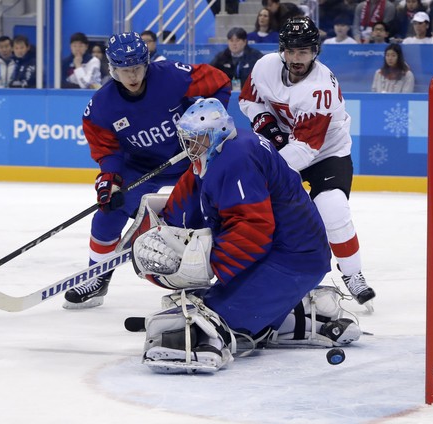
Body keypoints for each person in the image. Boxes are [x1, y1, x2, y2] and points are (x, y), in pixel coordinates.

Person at [131, 98, 362, 373]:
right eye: (187, 139)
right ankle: (289, 313)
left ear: (215, 135)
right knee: (197, 305)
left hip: (292, 261)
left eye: (196, 139)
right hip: (278, 255)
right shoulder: (219, 151)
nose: (190, 146)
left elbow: (253, 230)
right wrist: (165, 225)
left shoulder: (237, 158)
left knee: (199, 319)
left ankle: (295, 312)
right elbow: (193, 190)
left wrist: (208, 264)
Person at [62, 32, 231, 309]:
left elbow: (220, 82)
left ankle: (212, 279)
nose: (133, 76)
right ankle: (97, 275)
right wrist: (110, 181)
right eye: (125, 70)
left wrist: (209, 124)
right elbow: (107, 152)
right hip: (140, 168)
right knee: (108, 212)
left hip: (190, 159)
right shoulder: (102, 108)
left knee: (205, 215)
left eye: (138, 68)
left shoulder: (171, 76)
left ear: (147, 63)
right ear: (112, 69)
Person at [239, 17, 376, 309]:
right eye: (291, 51)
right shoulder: (265, 67)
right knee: (270, 218)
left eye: (304, 51)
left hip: (327, 154)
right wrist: (264, 122)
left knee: (333, 210)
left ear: (315, 52)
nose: (296, 58)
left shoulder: (320, 89)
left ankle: (352, 273)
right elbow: (247, 99)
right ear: (282, 50)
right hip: (284, 146)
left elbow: (304, 150)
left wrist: (266, 174)